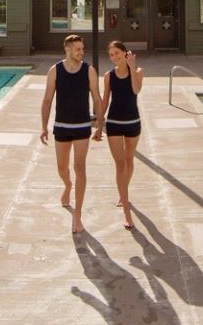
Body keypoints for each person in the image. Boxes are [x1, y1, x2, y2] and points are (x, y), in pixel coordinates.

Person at [39, 32, 102, 233]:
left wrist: (100, 124)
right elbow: (47, 100)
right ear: (67, 49)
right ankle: (67, 186)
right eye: (78, 49)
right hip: (62, 126)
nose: (81, 52)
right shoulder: (55, 71)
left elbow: (97, 98)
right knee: (62, 168)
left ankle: (78, 215)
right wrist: (43, 126)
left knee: (80, 168)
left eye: (82, 49)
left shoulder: (89, 71)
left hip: (82, 126)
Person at [97, 40, 144, 229]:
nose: (114, 57)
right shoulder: (108, 76)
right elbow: (105, 102)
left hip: (133, 122)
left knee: (129, 160)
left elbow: (136, 90)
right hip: (114, 123)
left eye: (117, 53)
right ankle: (126, 208)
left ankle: (123, 192)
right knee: (120, 165)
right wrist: (100, 126)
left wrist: (132, 68)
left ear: (125, 53)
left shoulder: (138, 72)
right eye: (111, 55)